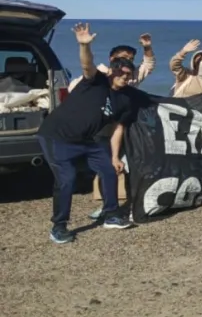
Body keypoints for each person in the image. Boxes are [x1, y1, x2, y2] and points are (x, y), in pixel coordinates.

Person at [37, 23, 137, 244]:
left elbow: (118, 128)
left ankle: (111, 215)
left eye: (129, 74)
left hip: (88, 141)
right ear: (112, 69)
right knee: (67, 179)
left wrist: (113, 156)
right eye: (121, 72)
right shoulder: (96, 81)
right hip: (57, 136)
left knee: (109, 170)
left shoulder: (125, 99)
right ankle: (59, 226)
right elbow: (87, 63)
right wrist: (84, 45)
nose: (125, 76)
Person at [67, 33, 155, 92]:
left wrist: (147, 47)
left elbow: (148, 65)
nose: (127, 61)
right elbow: (73, 88)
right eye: (124, 57)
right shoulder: (98, 73)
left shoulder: (131, 77)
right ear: (112, 59)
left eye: (131, 59)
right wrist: (84, 45)